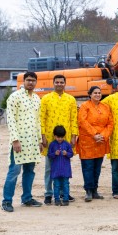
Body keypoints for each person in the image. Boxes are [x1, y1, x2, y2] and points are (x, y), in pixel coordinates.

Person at [2, 72, 43, 212]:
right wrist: (15, 140)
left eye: (33, 81)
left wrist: (39, 141)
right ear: (24, 81)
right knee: (14, 171)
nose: (31, 83)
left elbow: (38, 121)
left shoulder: (37, 98)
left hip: (32, 142)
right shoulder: (15, 97)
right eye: (28, 80)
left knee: (30, 171)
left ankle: (27, 198)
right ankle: (6, 201)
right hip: (19, 141)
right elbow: (11, 120)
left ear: (36, 82)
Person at [39, 74, 78, 204]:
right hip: (51, 138)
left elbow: (74, 118)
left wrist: (74, 136)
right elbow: (42, 118)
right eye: (57, 82)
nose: (59, 84)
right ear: (53, 83)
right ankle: (49, 193)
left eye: (62, 82)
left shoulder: (71, 99)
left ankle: (63, 192)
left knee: (64, 166)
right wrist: (43, 136)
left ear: (65, 84)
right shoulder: (46, 98)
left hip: (65, 139)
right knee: (50, 167)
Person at [77, 86, 114, 202]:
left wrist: (103, 135)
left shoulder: (105, 107)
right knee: (88, 167)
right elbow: (82, 121)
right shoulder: (84, 106)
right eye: (95, 93)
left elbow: (110, 123)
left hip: (101, 141)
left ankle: (95, 190)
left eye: (99, 93)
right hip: (88, 140)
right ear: (90, 94)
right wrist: (94, 134)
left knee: (97, 167)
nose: (97, 95)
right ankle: (88, 190)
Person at [47, 125, 74, 206]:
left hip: (65, 169)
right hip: (56, 170)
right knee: (56, 185)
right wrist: (54, 153)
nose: (60, 139)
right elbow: (49, 155)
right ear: (54, 136)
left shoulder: (67, 144)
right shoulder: (52, 144)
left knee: (66, 184)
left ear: (64, 136)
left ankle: (66, 199)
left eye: (62, 137)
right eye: (58, 137)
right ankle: (57, 199)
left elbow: (71, 154)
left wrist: (67, 154)